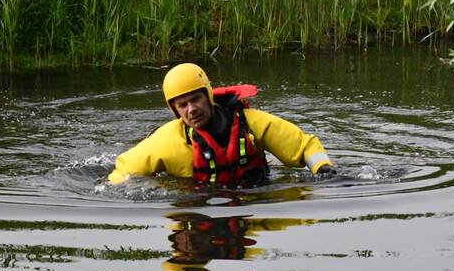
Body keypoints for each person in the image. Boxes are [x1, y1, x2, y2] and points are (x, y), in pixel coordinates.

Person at [108, 63, 335, 186]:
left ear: (209, 96)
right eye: (183, 105)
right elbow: (123, 168)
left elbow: (304, 145)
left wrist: (323, 169)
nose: (191, 109)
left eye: (196, 99)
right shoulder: (166, 142)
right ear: (175, 110)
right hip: (201, 207)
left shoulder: (252, 122)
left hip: (254, 194)